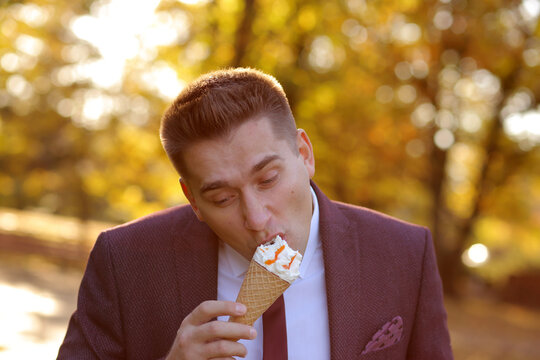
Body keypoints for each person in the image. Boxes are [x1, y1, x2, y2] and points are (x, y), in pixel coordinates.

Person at [57, 68, 453, 359]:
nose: (257, 218)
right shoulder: (126, 260)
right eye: (223, 198)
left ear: (304, 154)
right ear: (192, 198)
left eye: (267, 180)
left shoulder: (404, 255)